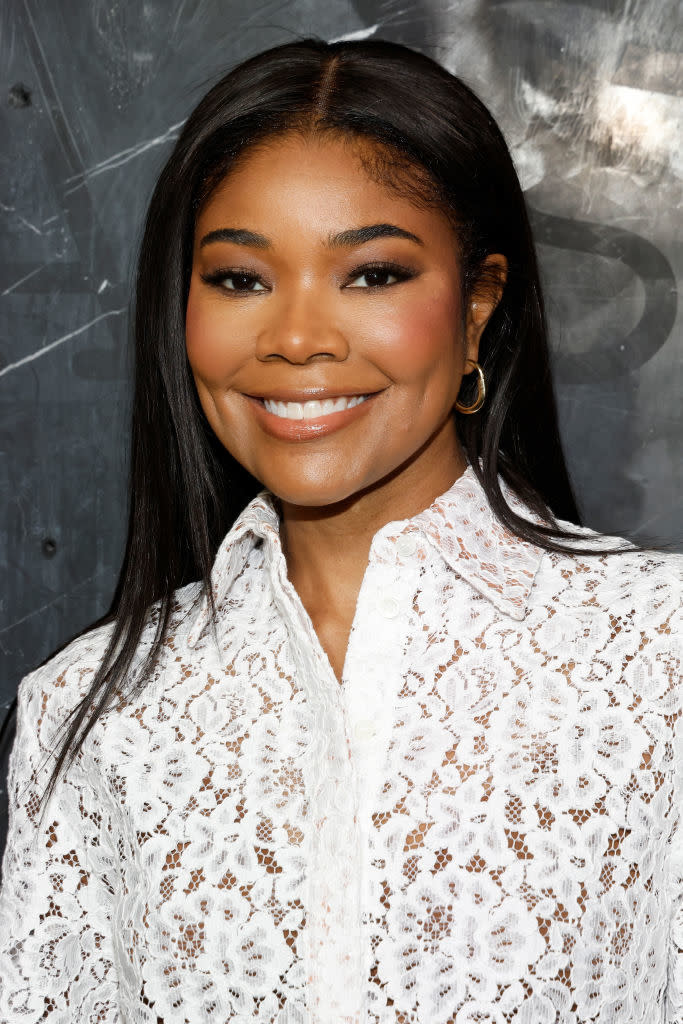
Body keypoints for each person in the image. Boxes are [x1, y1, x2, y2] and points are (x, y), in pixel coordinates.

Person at [0, 36, 680, 1024]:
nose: (297, 337)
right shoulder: (87, 716)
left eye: (370, 274)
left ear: (477, 304)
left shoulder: (660, 658)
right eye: (239, 279)